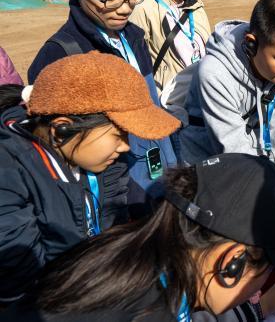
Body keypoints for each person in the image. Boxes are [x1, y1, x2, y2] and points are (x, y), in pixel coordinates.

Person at [3, 153, 275, 321]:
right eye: (270, 268)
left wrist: (263, 306)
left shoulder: (132, 255)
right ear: (231, 262)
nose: (263, 285)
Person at [0, 52, 180, 303]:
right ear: (62, 129)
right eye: (119, 135)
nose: (127, 147)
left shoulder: (102, 164)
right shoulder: (8, 179)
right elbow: (22, 293)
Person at [26, 0, 178, 212]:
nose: (124, 7)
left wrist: (171, 166)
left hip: (157, 175)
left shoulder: (133, 36)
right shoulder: (62, 56)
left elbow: (152, 105)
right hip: (116, 194)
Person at [179, 0, 275, 196]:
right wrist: (271, 199)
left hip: (258, 164)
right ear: (251, 43)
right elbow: (234, 149)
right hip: (206, 168)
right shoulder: (215, 74)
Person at [130, 0, 211, 96]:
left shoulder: (197, 7)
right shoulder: (144, 9)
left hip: (202, 88)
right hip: (170, 95)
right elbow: (134, 59)